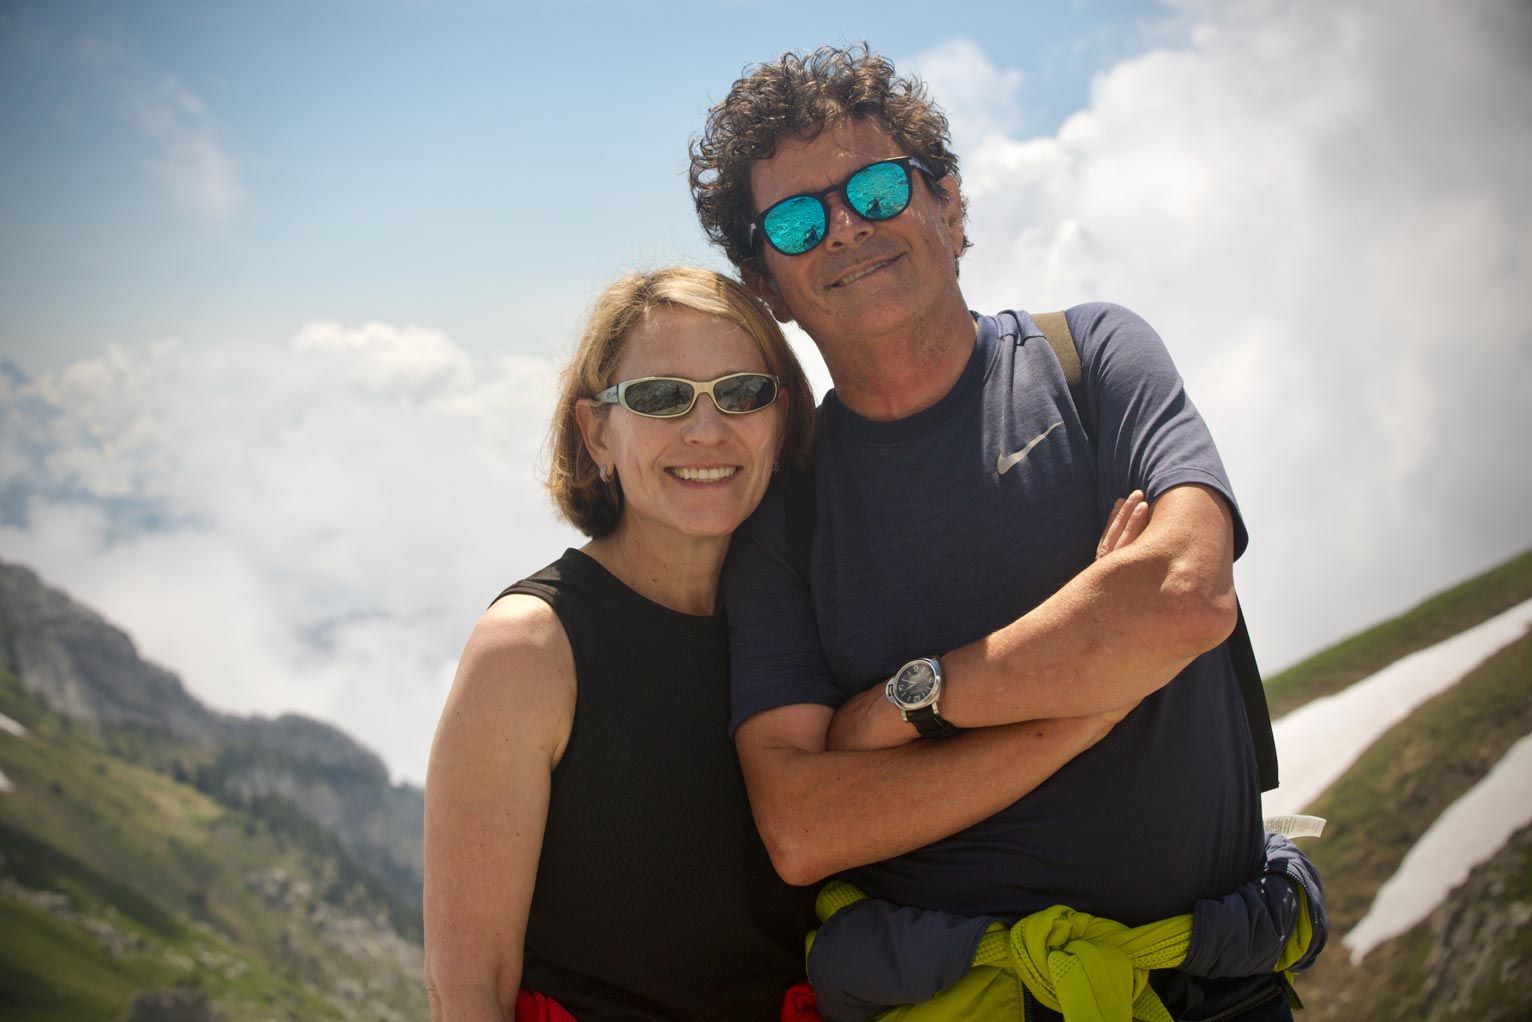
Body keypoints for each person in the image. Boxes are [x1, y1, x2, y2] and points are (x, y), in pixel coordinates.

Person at [688, 46, 1323, 1020]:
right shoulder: (785, 514)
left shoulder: (1091, 357)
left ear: (946, 200)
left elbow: (1184, 594)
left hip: (1219, 990)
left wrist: (897, 707)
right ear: (765, 278)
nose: (845, 228)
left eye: (875, 185)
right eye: (798, 218)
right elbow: (800, 826)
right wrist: (1090, 701)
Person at [422, 268, 826, 1020]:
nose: (707, 430)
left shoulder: (811, 617)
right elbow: (467, 988)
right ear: (597, 433)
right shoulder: (531, 650)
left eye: (741, 392)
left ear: (781, 418)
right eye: (661, 397)